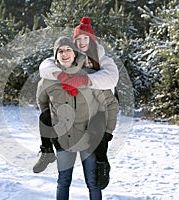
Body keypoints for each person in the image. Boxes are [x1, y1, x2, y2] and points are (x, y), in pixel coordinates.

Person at [34, 17, 119, 189]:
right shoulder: (68, 55)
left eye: (85, 38)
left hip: (99, 100)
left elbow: (112, 78)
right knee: (45, 115)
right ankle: (46, 150)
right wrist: (61, 76)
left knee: (99, 129)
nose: (81, 43)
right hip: (76, 104)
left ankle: (103, 163)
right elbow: (46, 66)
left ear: (92, 40)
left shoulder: (101, 57)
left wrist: (84, 80)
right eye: (78, 39)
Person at [36, 36, 105, 199]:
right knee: (64, 180)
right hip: (63, 139)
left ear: (75, 53)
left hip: (89, 138)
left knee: (93, 182)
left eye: (68, 50)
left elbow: (103, 103)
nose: (64, 54)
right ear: (55, 56)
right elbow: (43, 104)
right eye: (60, 51)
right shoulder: (47, 80)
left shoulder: (89, 76)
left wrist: (95, 125)